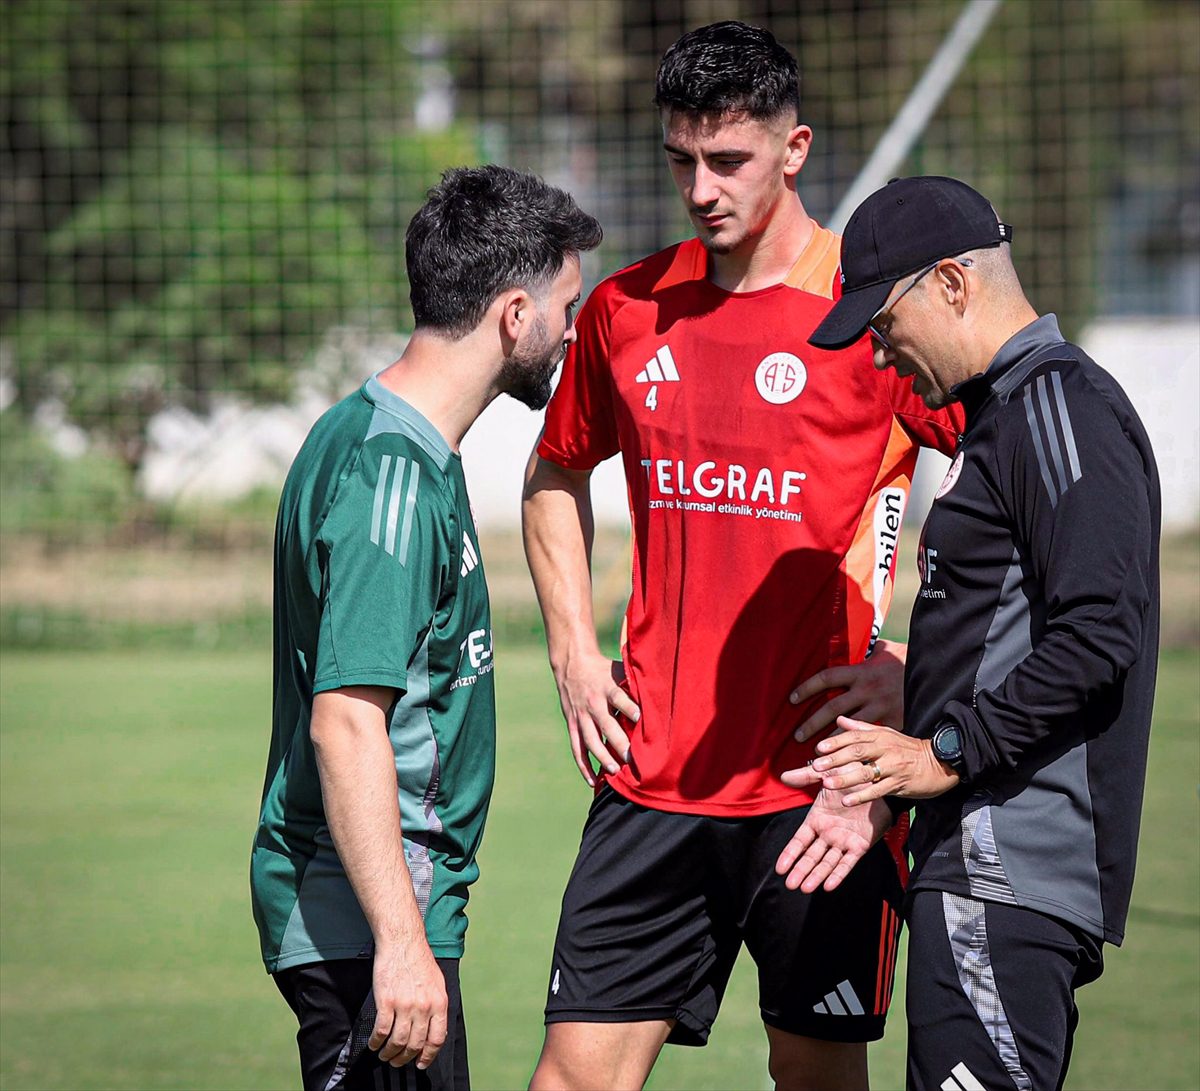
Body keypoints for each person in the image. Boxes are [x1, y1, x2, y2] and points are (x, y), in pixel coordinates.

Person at [521, 23, 962, 1091]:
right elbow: (554, 476)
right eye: (682, 160)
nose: (702, 189)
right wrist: (577, 653)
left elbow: (1004, 491)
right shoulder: (628, 311)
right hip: (652, 780)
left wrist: (919, 665)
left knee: (816, 1079)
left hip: (823, 783)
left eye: (729, 161)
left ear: (795, 148)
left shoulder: (872, 320)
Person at [784, 175, 1160, 1091]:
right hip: (980, 870)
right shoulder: (1006, 410)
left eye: (884, 322)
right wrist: (921, 678)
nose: (880, 355)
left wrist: (942, 748)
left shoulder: (1057, 405)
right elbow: (1028, 626)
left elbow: (1100, 631)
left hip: (1007, 867)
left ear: (952, 283)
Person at [250, 164, 601, 1091]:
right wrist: (400, 944)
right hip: (365, 926)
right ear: (515, 314)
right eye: (567, 306)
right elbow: (346, 718)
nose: (572, 331)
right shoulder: (393, 480)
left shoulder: (366, 434)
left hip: (385, 915)